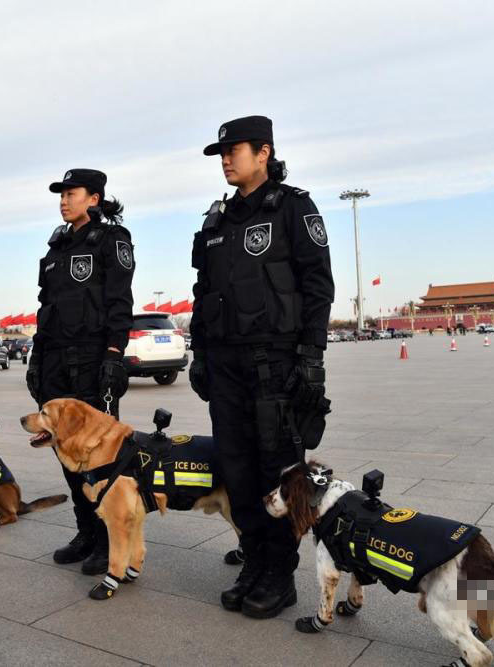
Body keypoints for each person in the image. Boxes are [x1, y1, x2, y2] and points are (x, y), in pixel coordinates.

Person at [189, 115, 335, 619]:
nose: (226, 160)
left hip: (275, 362)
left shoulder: (293, 208)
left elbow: (318, 285)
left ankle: (280, 573)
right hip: (226, 366)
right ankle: (254, 562)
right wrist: (201, 354)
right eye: (221, 154)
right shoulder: (216, 221)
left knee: (277, 470)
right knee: (237, 468)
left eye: (234, 150)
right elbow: (202, 295)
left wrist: (312, 358)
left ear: (264, 152)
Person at [26, 168, 134, 576]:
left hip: (92, 360)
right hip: (55, 360)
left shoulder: (111, 240)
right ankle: (86, 531)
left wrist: (113, 354)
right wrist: (37, 360)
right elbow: (44, 309)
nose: (63, 200)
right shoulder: (56, 247)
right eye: (61, 194)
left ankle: (110, 540)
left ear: (94, 197)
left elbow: (119, 301)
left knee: (100, 455)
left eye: (72, 193)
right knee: (66, 451)